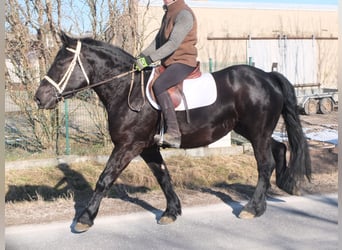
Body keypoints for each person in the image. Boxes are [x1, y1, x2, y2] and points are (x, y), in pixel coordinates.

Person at [135, 0, 198, 148]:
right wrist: (140, 58)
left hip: (183, 61)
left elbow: (173, 43)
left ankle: (174, 133)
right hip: (169, 63)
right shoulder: (169, 13)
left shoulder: (184, 13)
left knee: (159, 85)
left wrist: (148, 60)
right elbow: (157, 42)